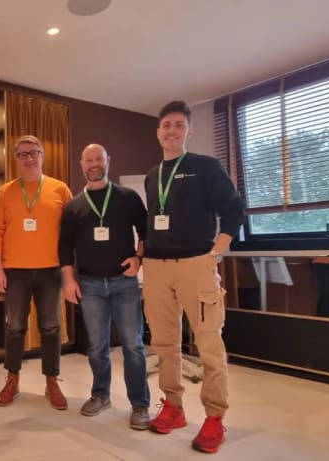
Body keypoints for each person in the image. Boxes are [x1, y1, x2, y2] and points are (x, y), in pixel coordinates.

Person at [141, 101, 244, 454]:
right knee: (164, 342)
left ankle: (214, 417)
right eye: (166, 125)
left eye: (178, 125)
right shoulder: (153, 175)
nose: (171, 131)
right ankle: (173, 407)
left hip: (195, 264)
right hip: (156, 267)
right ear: (158, 131)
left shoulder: (206, 167)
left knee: (208, 342)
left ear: (188, 131)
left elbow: (233, 209)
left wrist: (215, 252)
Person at [59, 144, 152, 429]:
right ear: (81, 164)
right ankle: (101, 395)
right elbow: (64, 248)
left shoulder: (128, 197)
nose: (94, 164)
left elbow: (146, 232)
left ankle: (140, 403)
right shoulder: (74, 205)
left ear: (108, 160)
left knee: (133, 345)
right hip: (90, 285)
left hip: (124, 283)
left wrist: (138, 258)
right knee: (97, 346)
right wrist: (69, 280)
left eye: (99, 158)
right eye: (89, 160)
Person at [0, 135, 73, 410]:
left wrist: (71, 271)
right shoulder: (5, 192)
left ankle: (52, 381)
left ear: (42, 156)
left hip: (51, 271)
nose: (28, 158)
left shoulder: (60, 189)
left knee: (51, 327)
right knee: (14, 327)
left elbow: (71, 232)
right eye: (22, 154)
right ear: (15, 159)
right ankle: (12, 380)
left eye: (33, 152)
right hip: (15, 272)